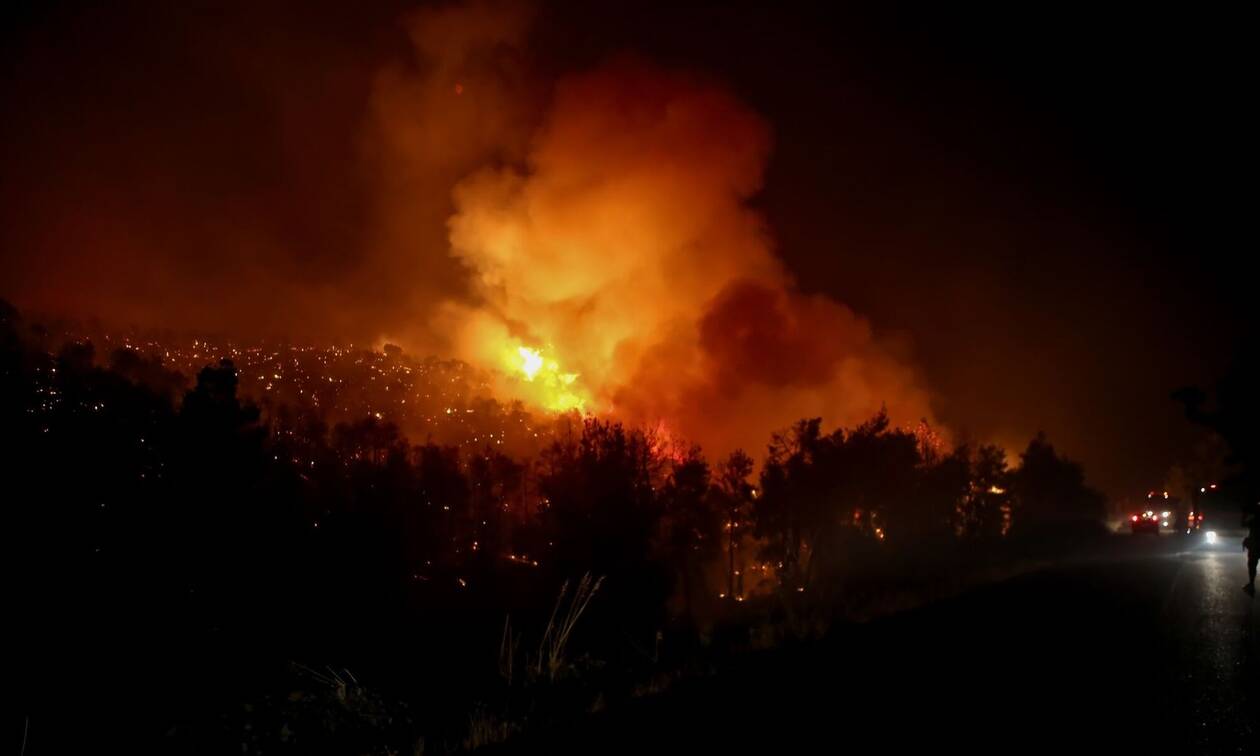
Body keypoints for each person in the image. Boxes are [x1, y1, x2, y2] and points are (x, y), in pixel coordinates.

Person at [1244, 502, 1259, 597]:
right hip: (1255, 544)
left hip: (1255, 545)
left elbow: (1244, 523)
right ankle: (1251, 585)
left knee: (1252, 565)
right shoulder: (1254, 519)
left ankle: (1252, 584)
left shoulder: (1254, 520)